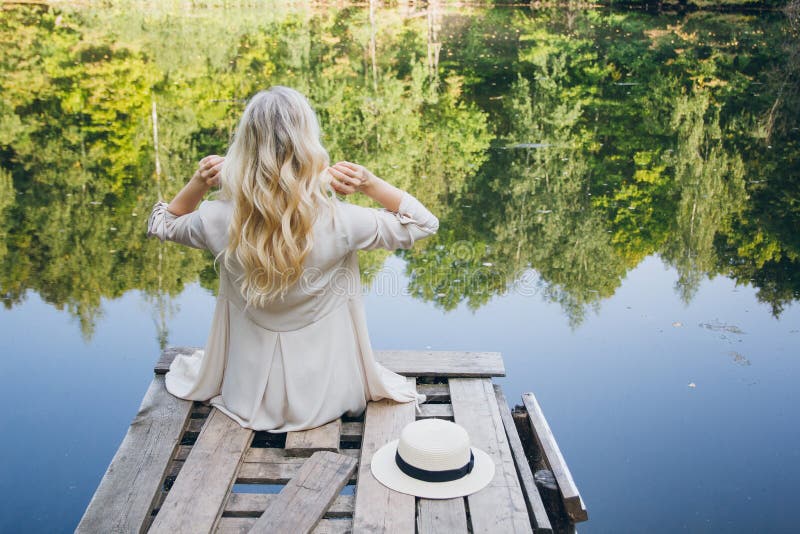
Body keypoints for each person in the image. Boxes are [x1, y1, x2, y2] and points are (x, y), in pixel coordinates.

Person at [146, 86, 439, 432]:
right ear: (308, 145)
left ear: (244, 147)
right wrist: (369, 184)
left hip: (246, 395)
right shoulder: (341, 221)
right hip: (330, 396)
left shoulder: (218, 218)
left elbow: (161, 224)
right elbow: (424, 223)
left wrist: (199, 182)